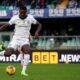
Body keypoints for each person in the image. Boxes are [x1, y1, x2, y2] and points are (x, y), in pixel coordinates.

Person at [0, 6, 42, 76]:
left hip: (25, 39)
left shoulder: (30, 18)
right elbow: (6, 25)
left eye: (23, 13)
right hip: (16, 39)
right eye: (21, 13)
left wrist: (37, 32)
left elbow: (40, 25)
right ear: (19, 12)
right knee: (8, 54)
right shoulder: (15, 18)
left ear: (26, 12)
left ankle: (23, 71)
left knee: (27, 50)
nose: (22, 14)